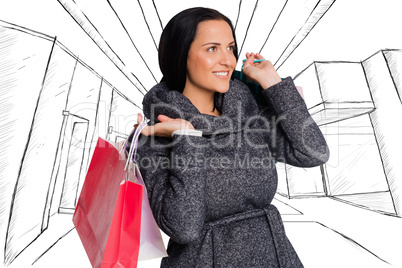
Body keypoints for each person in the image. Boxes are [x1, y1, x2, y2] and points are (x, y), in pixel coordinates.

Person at [133, 7, 329, 268]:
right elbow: (184, 228)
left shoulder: (249, 112)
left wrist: (273, 83)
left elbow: (314, 153)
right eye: (212, 48)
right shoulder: (156, 133)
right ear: (180, 57)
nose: (228, 60)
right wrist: (186, 137)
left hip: (275, 257)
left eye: (231, 48)